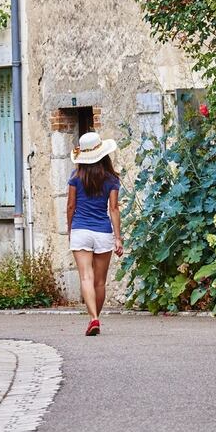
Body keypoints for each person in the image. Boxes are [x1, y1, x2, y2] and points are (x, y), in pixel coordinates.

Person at [67, 132, 123, 336]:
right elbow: (114, 209)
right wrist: (118, 238)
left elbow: (71, 206)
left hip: (80, 230)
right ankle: (95, 319)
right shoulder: (111, 179)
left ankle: (94, 319)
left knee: (86, 277)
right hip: (103, 232)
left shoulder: (75, 178)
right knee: (99, 281)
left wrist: (70, 229)